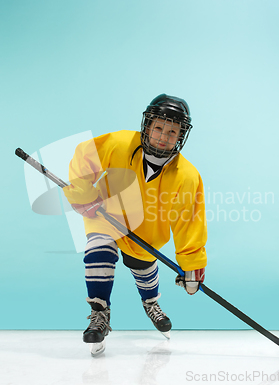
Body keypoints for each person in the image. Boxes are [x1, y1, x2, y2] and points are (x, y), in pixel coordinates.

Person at [62, 94, 207, 350]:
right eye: (159, 128)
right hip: (105, 215)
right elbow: (85, 157)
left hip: (147, 231)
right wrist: (85, 193)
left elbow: (190, 221)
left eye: (172, 132)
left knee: (143, 268)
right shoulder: (120, 143)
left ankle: (150, 302)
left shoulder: (187, 176)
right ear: (147, 125)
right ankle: (99, 314)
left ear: (181, 136)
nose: (163, 136)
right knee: (98, 250)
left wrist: (192, 265)